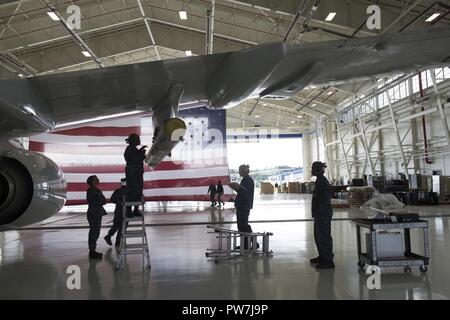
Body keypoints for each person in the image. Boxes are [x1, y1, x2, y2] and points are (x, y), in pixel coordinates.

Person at [309, 161, 335, 269]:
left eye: (314, 168)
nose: (312, 170)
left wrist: (321, 213)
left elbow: (325, 199)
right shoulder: (319, 180)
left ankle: (328, 261)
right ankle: (322, 256)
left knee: (324, 237)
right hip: (320, 214)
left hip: (323, 214)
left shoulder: (322, 182)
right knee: (318, 236)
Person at [229, 164, 256, 249]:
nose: (238, 172)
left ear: (244, 171)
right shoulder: (245, 179)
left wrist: (237, 188)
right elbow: (243, 192)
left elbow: (245, 192)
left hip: (244, 206)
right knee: (241, 226)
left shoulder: (248, 180)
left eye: (240, 170)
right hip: (242, 205)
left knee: (244, 225)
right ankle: (245, 245)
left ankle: (253, 242)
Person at [124, 133, 147, 217]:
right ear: (133, 141)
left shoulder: (133, 149)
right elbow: (133, 160)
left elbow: (137, 157)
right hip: (133, 176)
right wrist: (141, 153)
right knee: (131, 192)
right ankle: (129, 211)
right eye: (138, 139)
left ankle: (136, 210)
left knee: (138, 192)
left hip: (137, 175)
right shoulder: (129, 149)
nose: (139, 140)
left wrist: (140, 151)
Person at [86, 175, 107, 259]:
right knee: (94, 232)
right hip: (94, 213)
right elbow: (102, 200)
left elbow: (103, 200)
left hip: (95, 213)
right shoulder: (93, 190)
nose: (98, 180)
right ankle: (92, 250)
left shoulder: (93, 190)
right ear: (92, 181)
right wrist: (101, 200)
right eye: (96, 179)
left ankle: (93, 250)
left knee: (95, 232)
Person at [104, 178, 127, 247]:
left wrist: (118, 201)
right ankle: (117, 241)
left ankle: (112, 238)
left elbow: (112, 200)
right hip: (124, 211)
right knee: (121, 226)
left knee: (117, 225)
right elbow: (113, 200)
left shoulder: (117, 191)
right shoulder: (129, 191)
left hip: (119, 211)